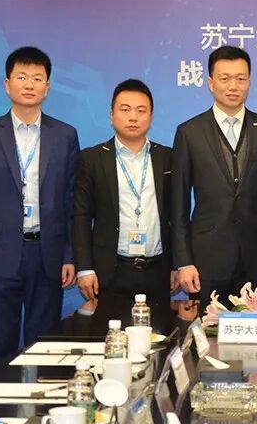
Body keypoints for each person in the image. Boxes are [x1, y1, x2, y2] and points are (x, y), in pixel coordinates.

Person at [0, 47, 79, 366]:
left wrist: (69, 255)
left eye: (38, 78)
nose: (29, 84)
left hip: (47, 255)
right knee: (1, 347)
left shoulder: (65, 135)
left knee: (45, 348)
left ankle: (41, 400)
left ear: (47, 87)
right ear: (7, 84)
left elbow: (71, 202)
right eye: (22, 77)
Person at [171, 46, 257, 308]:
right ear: (211, 83)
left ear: (249, 82)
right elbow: (178, 205)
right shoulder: (189, 132)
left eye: (240, 78)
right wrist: (184, 261)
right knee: (209, 330)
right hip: (207, 259)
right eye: (225, 78)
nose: (233, 86)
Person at [72, 79, 178, 312]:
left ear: (151, 116)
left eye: (141, 111)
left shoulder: (168, 158)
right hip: (111, 269)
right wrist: (85, 268)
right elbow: (81, 216)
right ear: (111, 115)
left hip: (158, 270)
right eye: (125, 109)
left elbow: (177, 216)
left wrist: (177, 265)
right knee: (110, 332)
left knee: (158, 332)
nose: (133, 117)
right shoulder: (92, 159)